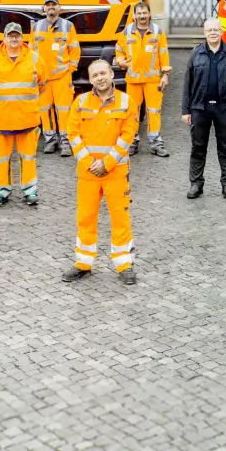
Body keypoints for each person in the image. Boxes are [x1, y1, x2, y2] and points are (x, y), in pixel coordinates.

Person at [62, 59, 140, 285]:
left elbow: (127, 136)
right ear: (90, 78)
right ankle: (83, 263)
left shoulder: (127, 102)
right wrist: (89, 162)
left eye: (103, 73)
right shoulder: (80, 101)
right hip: (87, 173)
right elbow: (72, 133)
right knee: (85, 218)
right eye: (95, 75)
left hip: (116, 172)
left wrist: (106, 162)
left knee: (120, 218)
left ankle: (124, 264)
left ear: (111, 74)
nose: (100, 78)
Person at [0, 22, 41, 209]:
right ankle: (2, 190)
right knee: (1, 157)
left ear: (22, 38)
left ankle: (30, 190)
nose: (14, 39)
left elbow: (43, 83)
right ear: (4, 38)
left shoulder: (35, 58)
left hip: (27, 118)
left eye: (17, 36)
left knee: (28, 156)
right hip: (0, 120)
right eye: (10, 36)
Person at [183, 17, 226, 199]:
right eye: (210, 30)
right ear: (204, 33)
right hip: (200, 108)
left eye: (216, 29)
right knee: (198, 147)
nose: (213, 33)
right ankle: (196, 184)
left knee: (225, 147)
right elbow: (187, 84)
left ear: (222, 32)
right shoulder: (196, 54)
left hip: (224, 108)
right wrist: (186, 110)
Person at [114, 1, 171, 158]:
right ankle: (132, 142)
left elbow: (164, 54)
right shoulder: (126, 32)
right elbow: (118, 50)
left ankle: (155, 144)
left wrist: (165, 75)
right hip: (133, 80)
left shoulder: (158, 32)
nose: (142, 16)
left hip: (153, 80)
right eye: (139, 13)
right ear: (134, 15)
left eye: (144, 13)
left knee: (154, 111)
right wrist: (120, 62)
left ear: (149, 14)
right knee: (132, 113)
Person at [33, 0, 80, 157]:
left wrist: (70, 70)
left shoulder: (68, 26)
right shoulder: (36, 27)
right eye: (48, 5)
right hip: (43, 78)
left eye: (54, 5)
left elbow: (75, 49)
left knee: (64, 111)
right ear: (43, 8)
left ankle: (66, 143)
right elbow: (31, 51)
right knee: (45, 111)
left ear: (60, 8)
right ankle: (50, 141)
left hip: (62, 76)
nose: (51, 7)